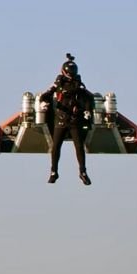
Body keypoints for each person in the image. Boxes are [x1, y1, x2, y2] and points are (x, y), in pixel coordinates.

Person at [38, 53, 94, 185]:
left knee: (79, 147)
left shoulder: (79, 85)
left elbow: (88, 98)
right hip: (61, 119)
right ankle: (54, 172)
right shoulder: (57, 84)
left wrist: (87, 110)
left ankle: (83, 172)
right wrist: (43, 103)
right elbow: (45, 95)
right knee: (56, 147)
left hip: (75, 120)